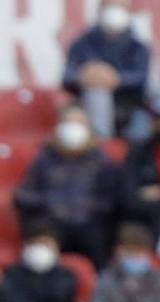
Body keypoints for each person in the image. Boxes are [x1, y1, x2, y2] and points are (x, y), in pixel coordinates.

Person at [13, 107, 125, 264]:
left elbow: (111, 198)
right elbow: (25, 195)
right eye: (68, 122)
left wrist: (87, 207)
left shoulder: (102, 161)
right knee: (43, 238)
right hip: (52, 223)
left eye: (78, 122)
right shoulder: (44, 160)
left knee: (98, 237)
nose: (73, 127)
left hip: (90, 224)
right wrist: (50, 204)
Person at [62, 0, 150, 139]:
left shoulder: (139, 47)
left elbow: (142, 78)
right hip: (89, 107)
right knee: (97, 91)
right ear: (99, 10)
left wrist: (116, 79)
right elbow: (67, 77)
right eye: (109, 6)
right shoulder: (82, 43)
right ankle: (102, 144)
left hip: (130, 108)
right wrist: (84, 76)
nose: (114, 12)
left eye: (120, 7)